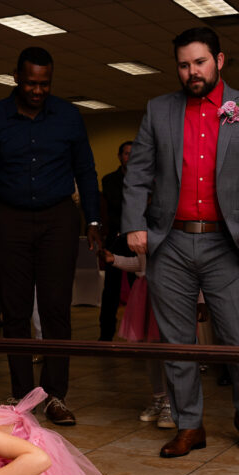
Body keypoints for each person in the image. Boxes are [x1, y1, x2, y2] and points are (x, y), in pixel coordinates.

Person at [122, 27, 239, 457]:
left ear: (220, 61)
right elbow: (137, 174)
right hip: (170, 243)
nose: (192, 71)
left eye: (200, 62)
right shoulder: (159, 110)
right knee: (176, 343)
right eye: (184, 64)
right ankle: (189, 424)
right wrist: (134, 222)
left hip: (228, 246)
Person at [0, 46, 102, 426]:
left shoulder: (68, 116)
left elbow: (86, 172)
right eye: (30, 83)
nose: (37, 91)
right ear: (16, 78)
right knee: (16, 309)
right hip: (9, 219)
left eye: (45, 84)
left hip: (59, 217)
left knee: (57, 308)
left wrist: (93, 222)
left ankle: (55, 395)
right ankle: (22, 396)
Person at [103, 250, 174, 429]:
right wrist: (115, 259)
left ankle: (171, 402)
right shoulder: (146, 234)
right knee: (150, 351)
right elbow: (140, 263)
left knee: (170, 350)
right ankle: (158, 396)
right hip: (145, 291)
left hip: (171, 290)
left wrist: (200, 300)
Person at [97, 140, 135, 341]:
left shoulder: (146, 179)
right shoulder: (110, 179)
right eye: (127, 153)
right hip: (116, 238)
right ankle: (106, 334)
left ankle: (138, 333)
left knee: (139, 288)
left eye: (134, 153)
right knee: (111, 290)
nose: (130, 157)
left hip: (139, 240)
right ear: (120, 156)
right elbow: (118, 203)